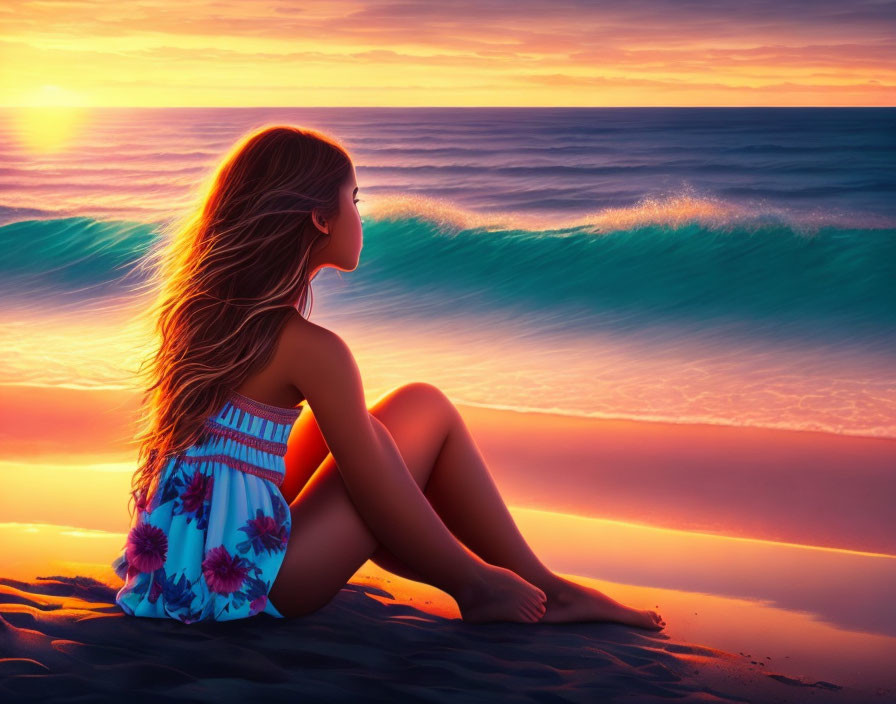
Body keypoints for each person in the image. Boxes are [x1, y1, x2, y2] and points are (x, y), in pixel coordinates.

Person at [111, 124, 665, 630]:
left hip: (172, 568)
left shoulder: (204, 314)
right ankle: (504, 586)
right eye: (353, 200)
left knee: (369, 432)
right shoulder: (310, 348)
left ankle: (506, 581)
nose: (360, 214)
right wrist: (470, 576)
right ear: (319, 219)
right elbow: (375, 490)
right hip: (251, 585)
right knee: (418, 412)